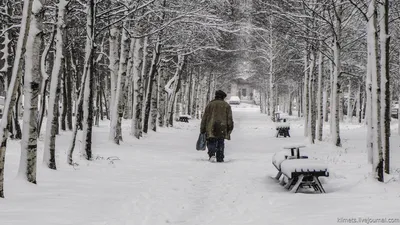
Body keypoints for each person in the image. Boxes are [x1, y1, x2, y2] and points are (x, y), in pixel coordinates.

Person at [200, 90, 234, 162]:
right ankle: (220, 157)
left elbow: (205, 117)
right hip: (222, 126)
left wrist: (202, 128)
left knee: (211, 140)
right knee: (220, 141)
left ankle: (212, 154)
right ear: (223, 97)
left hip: (211, 126)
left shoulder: (210, 105)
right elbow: (229, 118)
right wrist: (230, 128)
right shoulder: (226, 106)